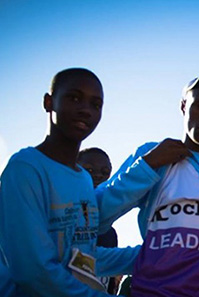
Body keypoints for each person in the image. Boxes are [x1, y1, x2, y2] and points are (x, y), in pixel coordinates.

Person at [100, 68, 199, 296]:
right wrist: (148, 165)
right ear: (184, 106)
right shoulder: (152, 154)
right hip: (152, 290)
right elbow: (99, 215)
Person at [0, 68, 141, 296]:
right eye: (74, 98)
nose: (85, 110)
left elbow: (81, 256)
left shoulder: (83, 179)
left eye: (95, 104)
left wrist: (154, 254)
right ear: (49, 102)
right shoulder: (25, 168)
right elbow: (33, 272)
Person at [78, 147, 121, 295]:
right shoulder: (58, 218)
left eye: (104, 172)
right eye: (89, 170)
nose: (97, 175)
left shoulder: (109, 233)